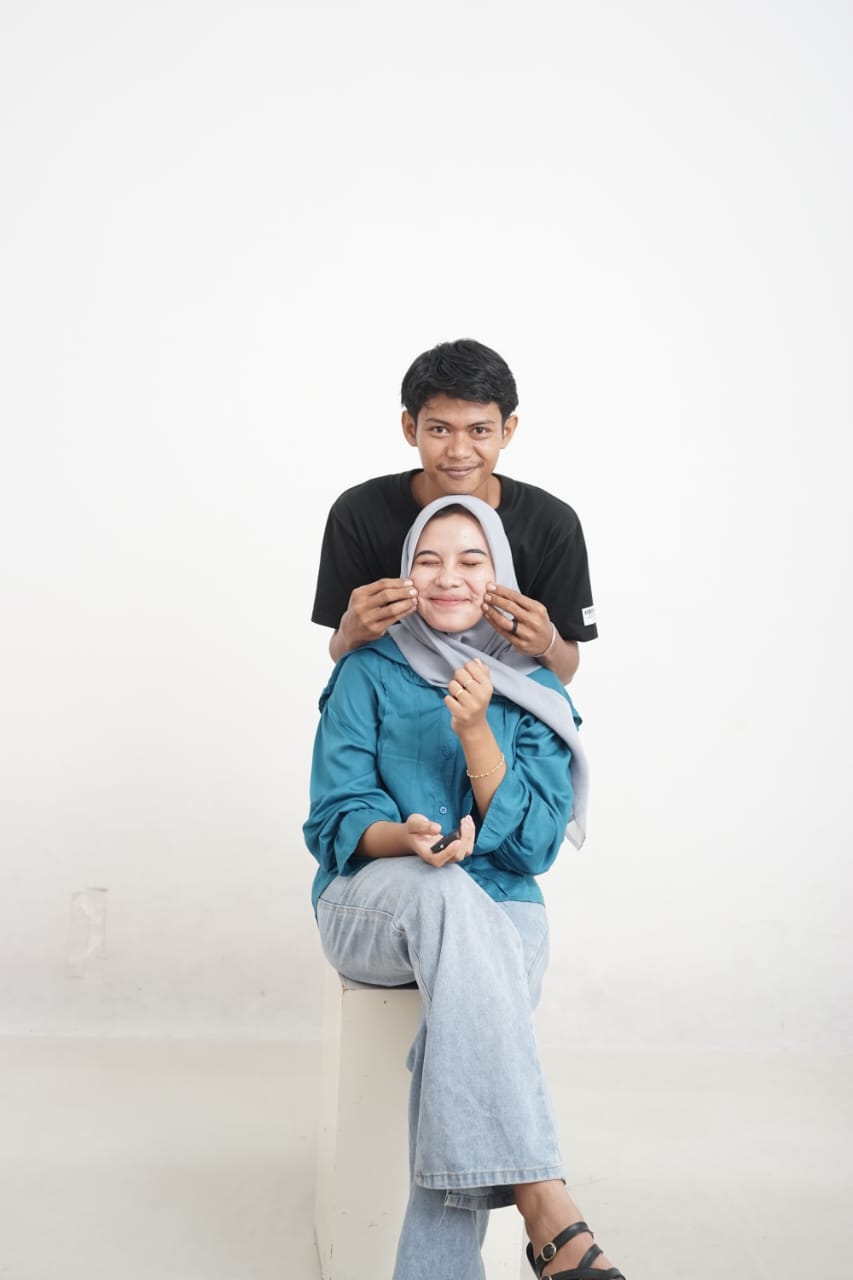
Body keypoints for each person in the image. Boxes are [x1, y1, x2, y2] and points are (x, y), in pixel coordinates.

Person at [303, 496, 625, 1280]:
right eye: (429, 559)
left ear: (500, 578)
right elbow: (334, 817)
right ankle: (545, 1203)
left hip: (502, 904)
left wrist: (477, 731)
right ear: (404, 573)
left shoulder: (534, 687)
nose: (448, 577)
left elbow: (532, 848)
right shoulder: (366, 670)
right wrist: (405, 838)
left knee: (459, 1034)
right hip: (373, 898)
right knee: (445, 896)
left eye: (471, 561)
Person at [310, 338, 597, 686]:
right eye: (440, 429)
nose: (459, 451)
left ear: (506, 431)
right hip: (392, 702)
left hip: (507, 707)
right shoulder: (358, 514)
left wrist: (547, 642)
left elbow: (565, 671)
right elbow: (341, 655)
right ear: (410, 428)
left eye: (479, 430)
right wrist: (350, 632)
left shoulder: (552, 524)